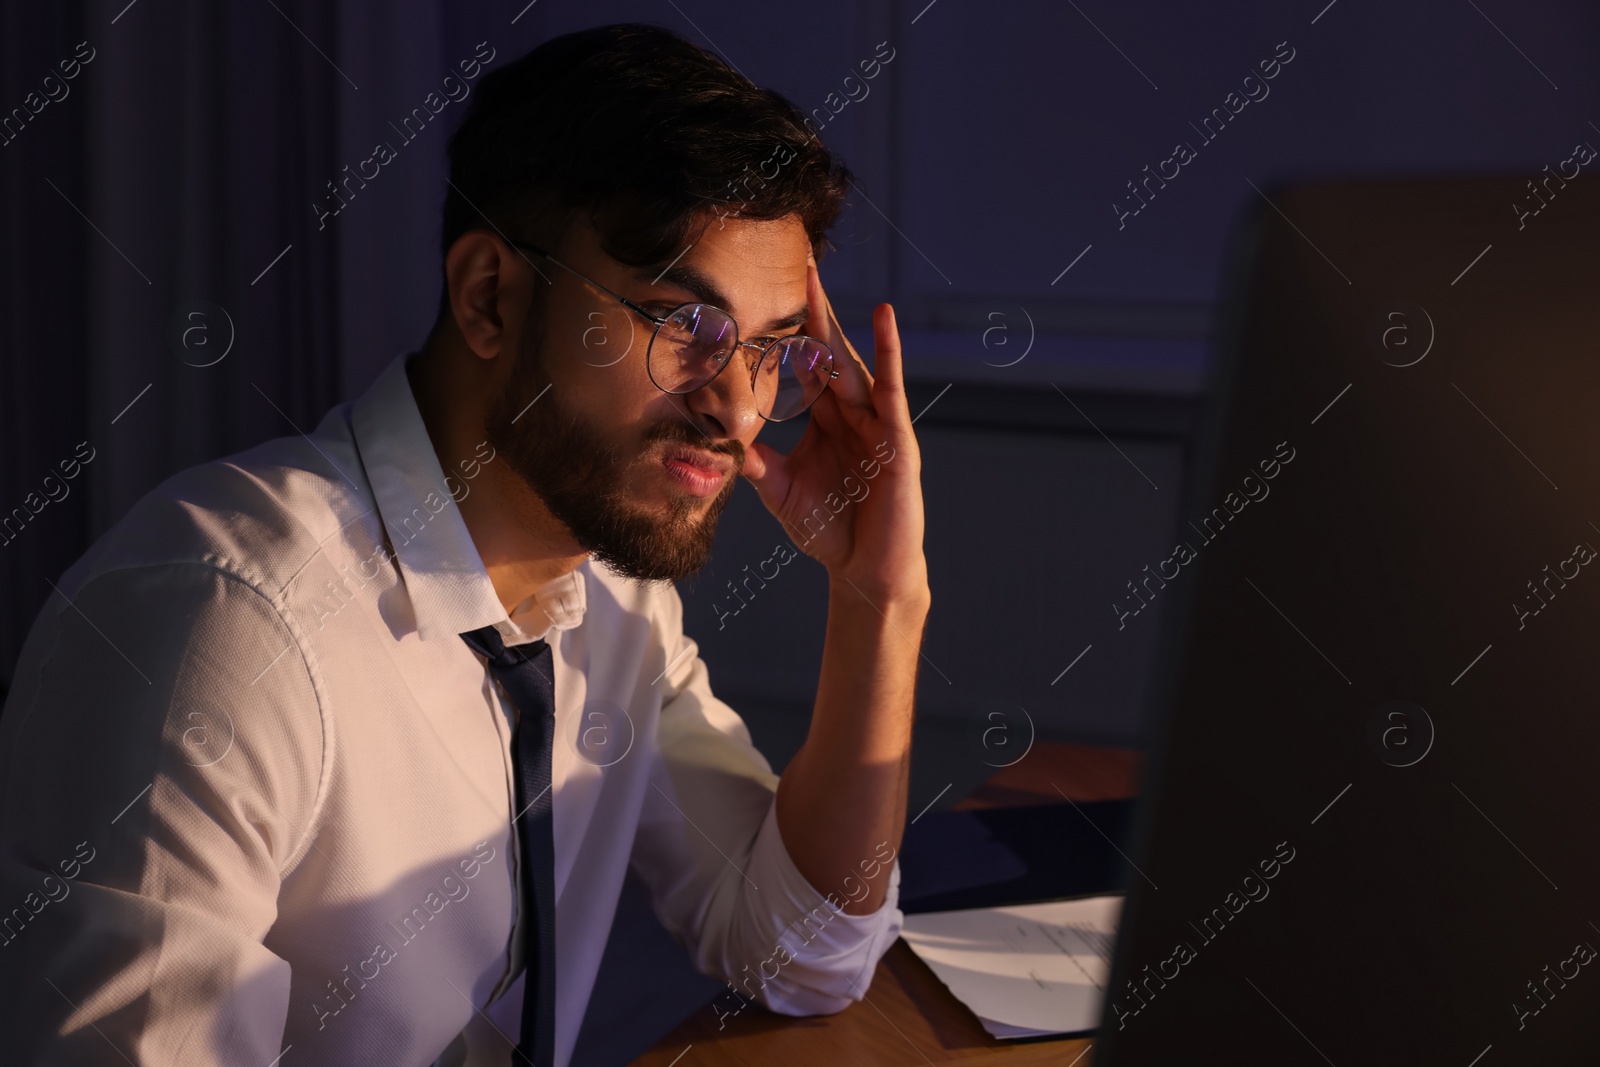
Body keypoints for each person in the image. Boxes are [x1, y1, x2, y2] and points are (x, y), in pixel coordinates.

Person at [0, 22, 929, 1067]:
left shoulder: (613, 599)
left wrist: (876, 600)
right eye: (683, 324)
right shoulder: (217, 625)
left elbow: (805, 955)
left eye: (766, 351)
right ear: (490, 294)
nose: (740, 412)